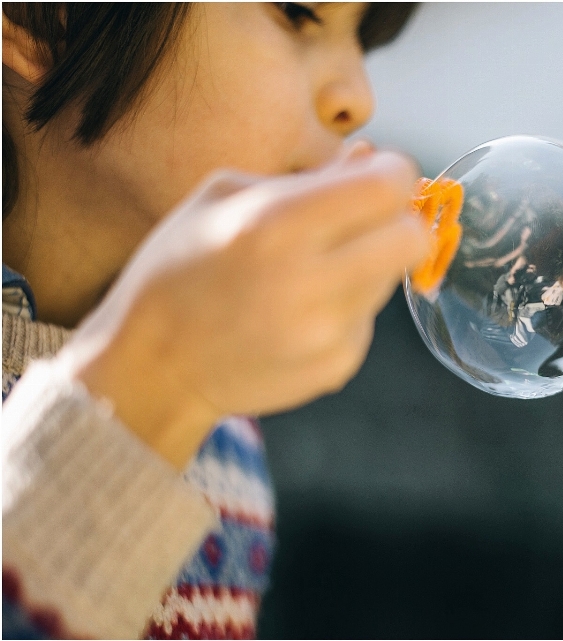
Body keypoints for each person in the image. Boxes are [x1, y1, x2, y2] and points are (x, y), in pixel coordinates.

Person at [1, 3, 426, 639]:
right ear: (45, 21)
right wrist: (155, 383)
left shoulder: (227, 436)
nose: (358, 99)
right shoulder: (186, 385)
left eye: (361, 39)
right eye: (297, 12)